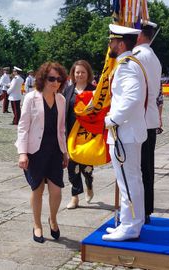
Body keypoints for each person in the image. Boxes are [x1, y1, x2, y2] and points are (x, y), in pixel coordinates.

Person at [15, 61, 69, 243]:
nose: (55, 83)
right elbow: (23, 127)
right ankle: (37, 225)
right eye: (51, 79)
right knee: (37, 189)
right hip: (35, 151)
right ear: (43, 79)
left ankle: (53, 218)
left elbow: (62, 129)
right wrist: (22, 153)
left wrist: (65, 151)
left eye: (59, 79)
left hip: (55, 150)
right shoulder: (31, 98)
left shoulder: (61, 100)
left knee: (56, 191)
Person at [103, 24, 147, 241]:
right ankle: (131, 222)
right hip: (127, 132)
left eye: (111, 41)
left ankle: (130, 226)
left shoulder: (127, 66)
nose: (109, 45)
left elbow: (131, 98)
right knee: (131, 180)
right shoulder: (129, 63)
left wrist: (112, 119)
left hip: (124, 132)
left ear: (120, 44)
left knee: (128, 182)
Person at [133, 22, 163, 224]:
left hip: (139, 119)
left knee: (137, 168)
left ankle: (139, 211)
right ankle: (146, 210)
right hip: (149, 118)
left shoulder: (136, 55)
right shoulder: (153, 56)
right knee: (147, 167)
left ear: (139, 35)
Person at [63, 60, 96, 209]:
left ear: (88, 73)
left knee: (86, 167)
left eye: (83, 72)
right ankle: (74, 196)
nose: (80, 75)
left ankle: (89, 185)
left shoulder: (94, 90)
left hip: (88, 135)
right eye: (77, 72)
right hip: (71, 135)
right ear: (73, 74)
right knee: (72, 167)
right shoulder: (68, 90)